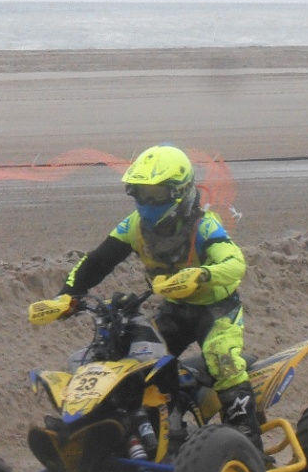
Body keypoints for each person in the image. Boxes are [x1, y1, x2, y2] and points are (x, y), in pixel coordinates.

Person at [56, 144, 263, 451]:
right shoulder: (134, 226)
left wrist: (203, 274)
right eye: (140, 193)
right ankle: (153, 432)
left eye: (155, 195)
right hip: (174, 310)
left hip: (216, 310)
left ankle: (248, 445)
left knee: (224, 362)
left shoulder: (204, 225)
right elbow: (98, 261)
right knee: (135, 359)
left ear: (179, 192)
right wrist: (67, 296)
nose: (147, 202)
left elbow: (235, 263)